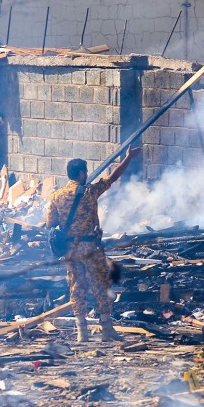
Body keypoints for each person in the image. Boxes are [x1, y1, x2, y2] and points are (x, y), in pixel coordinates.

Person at [45, 146, 142, 342]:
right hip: (90, 248)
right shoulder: (90, 192)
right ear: (81, 173)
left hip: (70, 250)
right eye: (86, 172)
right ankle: (106, 328)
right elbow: (113, 178)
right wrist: (128, 158)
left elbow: (49, 224)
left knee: (76, 287)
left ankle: (82, 332)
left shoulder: (57, 196)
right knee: (101, 285)